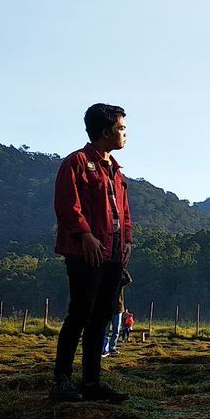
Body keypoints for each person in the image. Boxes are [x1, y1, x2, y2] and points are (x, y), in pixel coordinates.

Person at [50, 103, 133, 403]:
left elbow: (124, 213)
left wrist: (127, 242)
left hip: (112, 254)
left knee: (101, 317)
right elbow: (66, 205)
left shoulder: (117, 172)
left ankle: (92, 382)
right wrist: (84, 234)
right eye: (122, 128)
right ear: (106, 131)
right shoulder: (76, 162)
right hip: (85, 252)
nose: (125, 134)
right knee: (80, 313)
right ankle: (61, 380)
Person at [102, 268, 132, 357]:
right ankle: (104, 350)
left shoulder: (119, 282)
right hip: (106, 309)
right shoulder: (104, 283)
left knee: (116, 331)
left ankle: (112, 348)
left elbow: (129, 280)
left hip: (118, 309)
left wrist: (123, 270)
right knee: (106, 331)